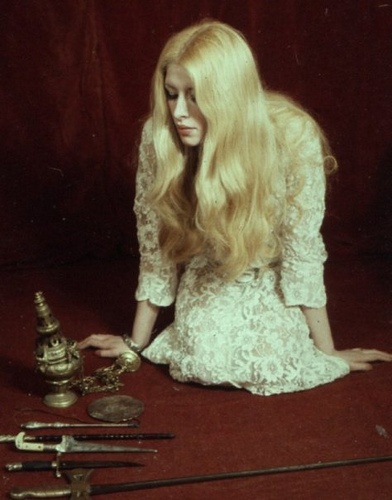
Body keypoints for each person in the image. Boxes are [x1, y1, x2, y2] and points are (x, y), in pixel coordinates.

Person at [79, 20, 391, 395]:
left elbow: (301, 250)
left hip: (269, 274)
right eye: (171, 93)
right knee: (205, 359)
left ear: (227, 94)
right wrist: (136, 342)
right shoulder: (160, 137)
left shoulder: (292, 135)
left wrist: (328, 351)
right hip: (209, 273)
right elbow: (156, 249)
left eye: (194, 95)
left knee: (269, 359)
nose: (178, 111)